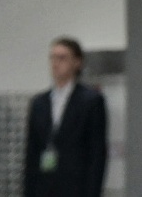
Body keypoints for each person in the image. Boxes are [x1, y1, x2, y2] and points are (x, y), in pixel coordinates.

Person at [24, 36, 109, 197]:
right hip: (44, 187)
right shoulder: (39, 103)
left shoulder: (91, 101)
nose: (55, 63)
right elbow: (32, 154)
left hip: (76, 187)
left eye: (62, 58)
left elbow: (97, 154)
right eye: (52, 58)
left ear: (77, 62)